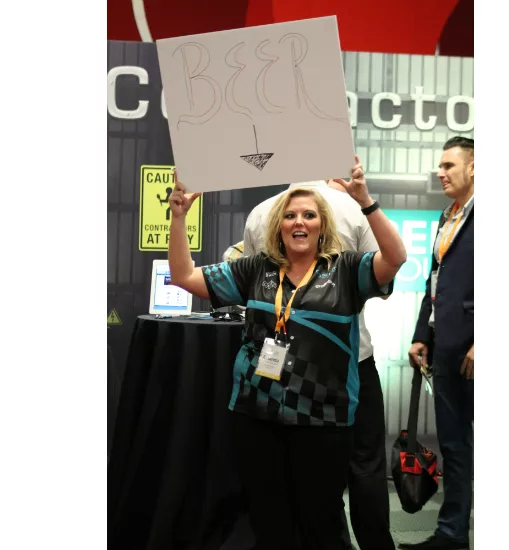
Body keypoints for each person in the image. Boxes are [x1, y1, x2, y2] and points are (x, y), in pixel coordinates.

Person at [167, 157, 406, 550]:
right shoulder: (254, 269)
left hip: (323, 418)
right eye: (291, 215)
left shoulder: (346, 270)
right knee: (269, 520)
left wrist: (366, 201)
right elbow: (183, 276)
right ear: (277, 224)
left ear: (321, 225)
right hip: (257, 413)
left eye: (309, 215)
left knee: (320, 522)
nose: (299, 222)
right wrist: (178, 218)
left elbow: (395, 258)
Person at [243, 178, 396, 550]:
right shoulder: (350, 208)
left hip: (280, 371)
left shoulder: (261, 212)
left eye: (309, 218)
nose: (301, 223)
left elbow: (253, 284)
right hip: (348, 363)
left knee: (288, 476)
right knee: (362, 466)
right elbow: (386, 281)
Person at [400, 136, 474, 550]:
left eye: (448, 165)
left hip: (475, 350)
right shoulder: (448, 217)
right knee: (454, 445)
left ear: (475, 167)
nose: (439, 172)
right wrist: (420, 336)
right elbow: (435, 283)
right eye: (439, 166)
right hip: (446, 349)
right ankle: (452, 536)